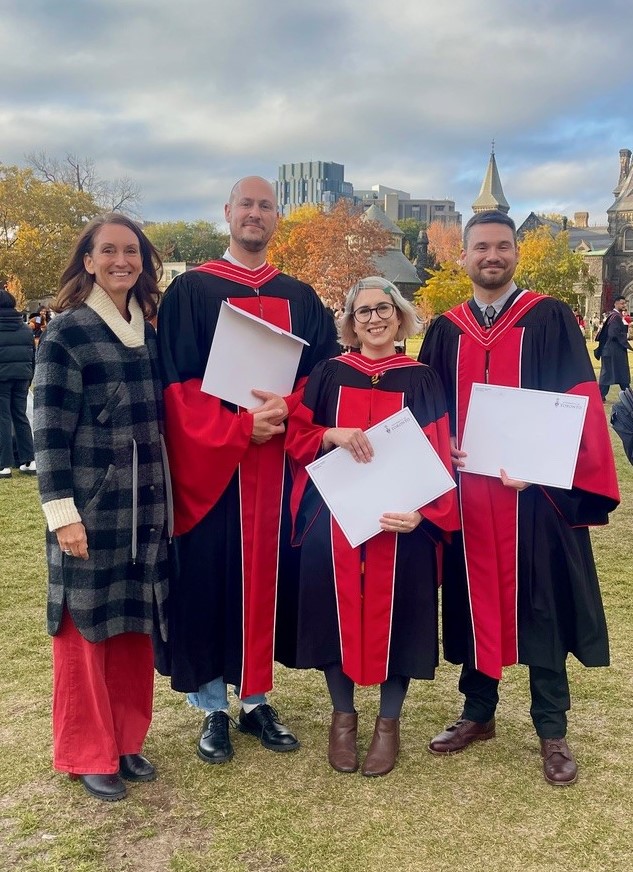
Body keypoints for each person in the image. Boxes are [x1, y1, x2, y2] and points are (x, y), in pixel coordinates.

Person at [419, 210, 620, 786]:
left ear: (516, 253)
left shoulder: (551, 319)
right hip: (468, 496)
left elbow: (580, 405)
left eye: (502, 246)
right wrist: (445, 445)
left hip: (535, 500)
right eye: (480, 246)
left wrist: (541, 469)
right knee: (474, 601)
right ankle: (478, 713)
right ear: (462, 257)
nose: (492, 256)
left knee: (543, 607)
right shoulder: (444, 330)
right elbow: (427, 412)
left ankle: (551, 729)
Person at [157, 176, 339, 765]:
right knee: (210, 576)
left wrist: (284, 411)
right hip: (219, 468)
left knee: (270, 579)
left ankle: (257, 698)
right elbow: (177, 388)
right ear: (228, 213)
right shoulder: (192, 291)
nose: (254, 214)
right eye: (246, 205)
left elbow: (323, 378)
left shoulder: (302, 297)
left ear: (275, 218)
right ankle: (212, 705)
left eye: (265, 206)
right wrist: (239, 429)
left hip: (278, 467)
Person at [286, 278, 459, 777]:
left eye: (383, 308)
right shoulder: (328, 373)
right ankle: (343, 718)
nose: (374, 319)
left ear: (400, 315)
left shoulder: (422, 378)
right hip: (334, 516)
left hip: (399, 523)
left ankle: (388, 723)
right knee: (330, 613)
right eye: (362, 312)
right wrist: (329, 434)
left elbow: (437, 451)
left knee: (399, 614)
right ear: (349, 321)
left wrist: (425, 515)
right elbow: (296, 435)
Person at [33, 213, 171, 802]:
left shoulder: (151, 326)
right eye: (109, 251)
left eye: (132, 251)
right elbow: (47, 429)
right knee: (86, 631)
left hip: (146, 506)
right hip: (90, 505)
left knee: (134, 626)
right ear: (87, 260)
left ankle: (125, 739)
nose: (122, 260)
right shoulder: (67, 332)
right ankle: (88, 750)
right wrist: (62, 512)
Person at [0, 288, 36, 477]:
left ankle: (4, 465)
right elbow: (32, 356)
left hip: (2, 379)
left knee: (3, 418)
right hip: (22, 377)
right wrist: (29, 376)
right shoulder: (25, 329)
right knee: (20, 416)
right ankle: (29, 461)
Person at [598, 295, 632, 401]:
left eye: (624, 303)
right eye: (622, 303)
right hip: (612, 350)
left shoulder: (614, 316)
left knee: (615, 373)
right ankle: (600, 396)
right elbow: (613, 333)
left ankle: (628, 396)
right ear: (616, 303)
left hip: (612, 350)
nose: (624, 305)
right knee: (610, 374)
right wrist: (627, 343)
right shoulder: (615, 317)